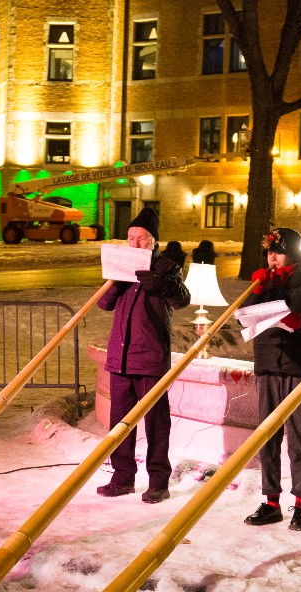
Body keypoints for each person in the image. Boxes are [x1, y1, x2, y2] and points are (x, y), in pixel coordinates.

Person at [97, 207, 190, 503]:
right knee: (120, 423)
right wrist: (117, 285)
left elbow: (182, 300)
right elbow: (103, 304)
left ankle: (158, 482)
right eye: (130, 238)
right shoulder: (120, 269)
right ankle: (122, 477)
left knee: (156, 423)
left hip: (150, 358)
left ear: (153, 241)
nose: (134, 243)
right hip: (120, 358)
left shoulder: (165, 267)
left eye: (141, 238)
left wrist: (160, 284)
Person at [242, 227, 301, 530]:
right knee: (268, 436)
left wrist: (295, 320)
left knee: (299, 438)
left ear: (292, 254)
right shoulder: (265, 281)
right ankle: (271, 502)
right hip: (267, 362)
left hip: (298, 366)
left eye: (277, 252)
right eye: (269, 252)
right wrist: (256, 289)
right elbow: (247, 316)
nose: (272, 257)